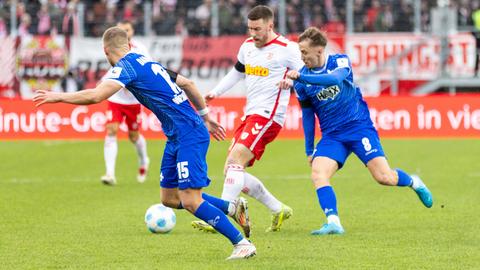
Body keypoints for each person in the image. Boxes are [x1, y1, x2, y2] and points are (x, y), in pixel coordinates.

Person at [33, 27, 256, 260]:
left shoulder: (125, 67)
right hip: (178, 135)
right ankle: (231, 208)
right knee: (169, 198)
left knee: (190, 200)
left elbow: (96, 96)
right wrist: (206, 116)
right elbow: (188, 83)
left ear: (105, 51)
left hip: (189, 134)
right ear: (129, 45)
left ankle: (242, 243)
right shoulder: (146, 61)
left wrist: (58, 96)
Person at [278, 27, 433, 235]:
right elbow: (307, 116)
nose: (302, 56)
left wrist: (302, 78)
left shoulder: (340, 62)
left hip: (359, 128)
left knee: (384, 177)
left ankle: (414, 182)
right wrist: (309, 150)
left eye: (305, 52)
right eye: (300, 52)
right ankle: (333, 222)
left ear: (319, 50)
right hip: (333, 136)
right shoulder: (302, 81)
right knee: (318, 173)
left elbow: (334, 79)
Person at [192, 5, 304, 235]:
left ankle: (220, 216)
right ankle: (278, 208)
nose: (253, 33)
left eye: (258, 29)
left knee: (235, 161)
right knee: (232, 171)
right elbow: (237, 72)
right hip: (250, 114)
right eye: (250, 28)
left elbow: (307, 74)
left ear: (270, 26)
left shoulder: (287, 49)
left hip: (269, 116)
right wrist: (216, 92)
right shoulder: (247, 47)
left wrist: (293, 82)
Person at [101, 21, 150, 185]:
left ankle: (144, 161)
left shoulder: (140, 49)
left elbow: (147, 69)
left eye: (127, 29)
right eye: (122, 29)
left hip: (133, 100)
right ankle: (109, 174)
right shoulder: (112, 46)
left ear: (132, 31)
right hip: (115, 97)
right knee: (111, 129)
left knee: (133, 136)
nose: (125, 32)